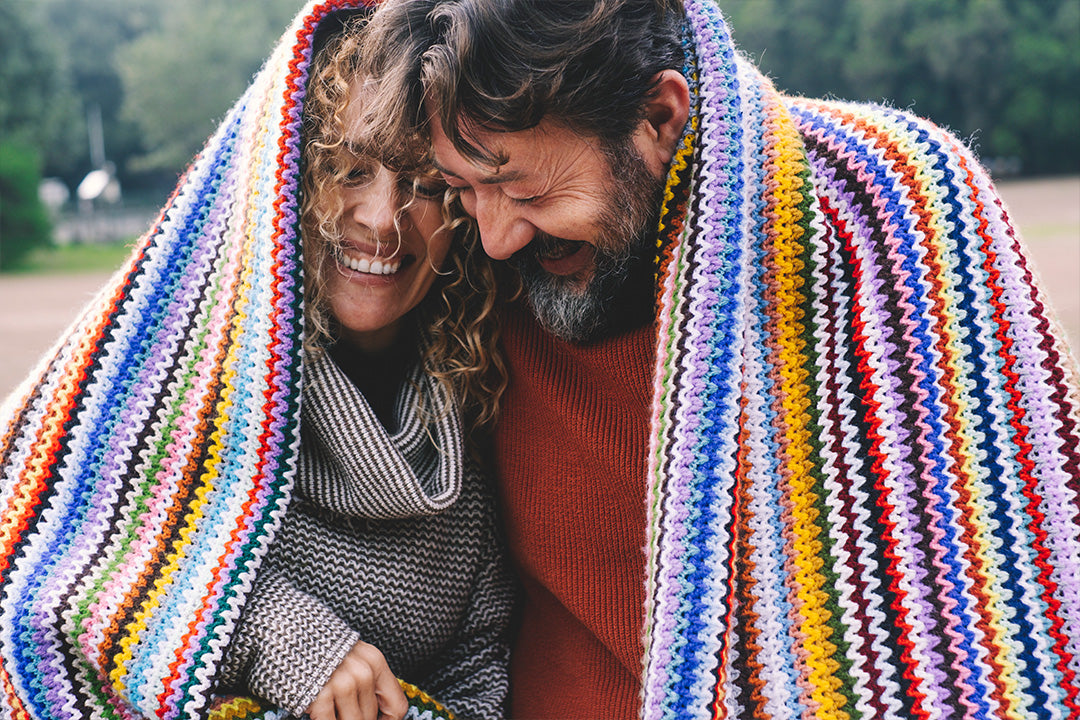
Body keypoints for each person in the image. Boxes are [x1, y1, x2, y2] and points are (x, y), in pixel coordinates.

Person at [359, 0, 1080, 718]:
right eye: (461, 188)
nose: (494, 237)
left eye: (527, 191)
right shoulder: (464, 286)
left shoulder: (890, 208)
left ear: (660, 116)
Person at [0, 3, 512, 720]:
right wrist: (272, 633)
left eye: (425, 184)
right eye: (348, 169)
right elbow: (39, 544)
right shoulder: (166, 370)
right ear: (285, 178)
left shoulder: (473, 411)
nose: (382, 218)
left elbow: (481, 672)